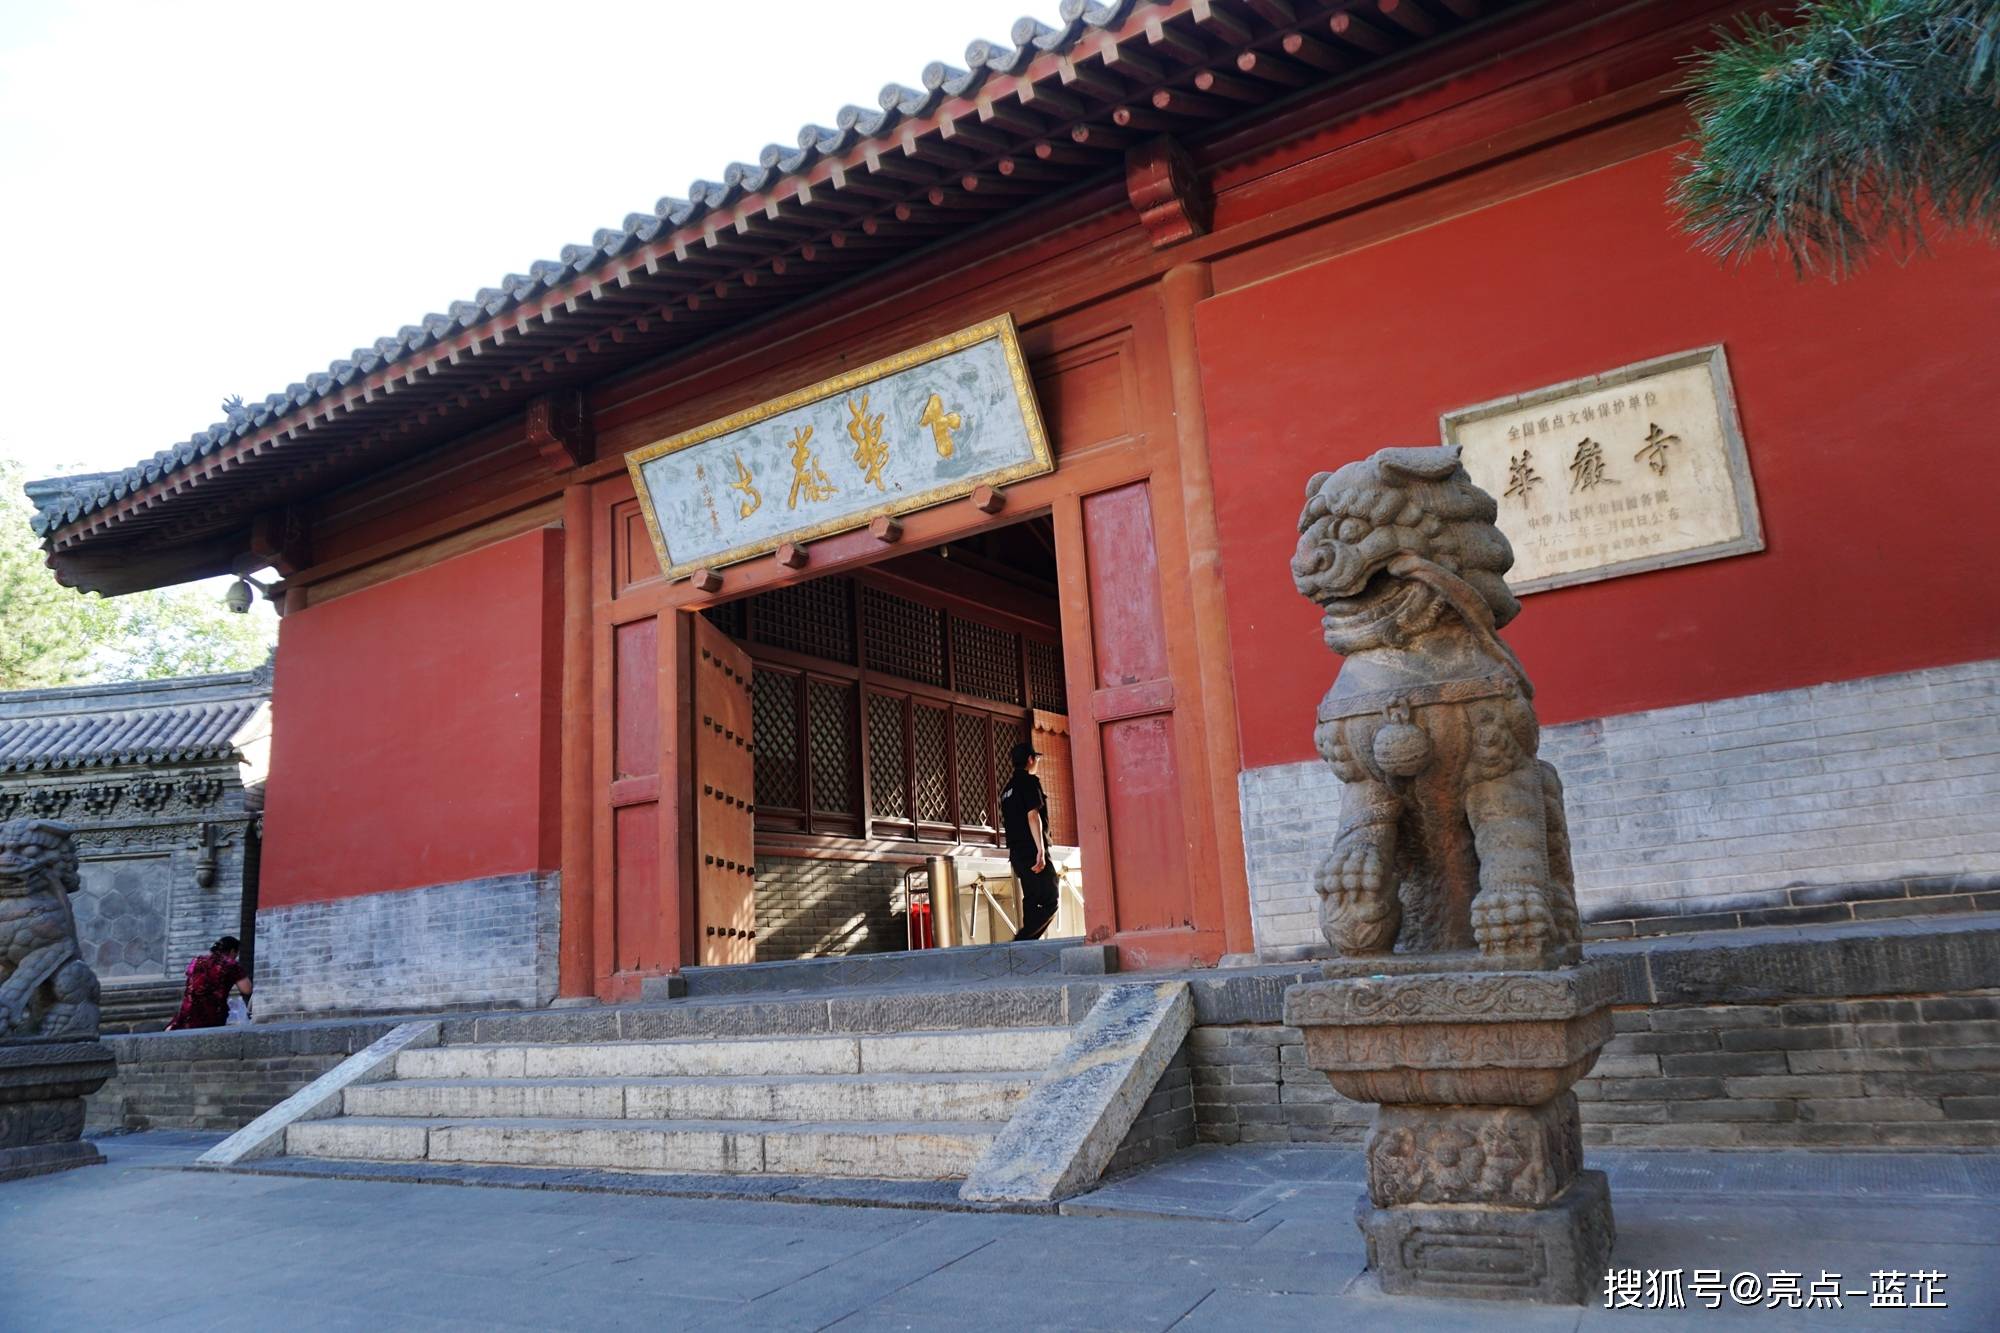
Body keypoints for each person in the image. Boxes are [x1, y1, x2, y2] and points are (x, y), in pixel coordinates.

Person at [999, 741, 1060, 942]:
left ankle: (1027, 947)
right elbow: (1032, 815)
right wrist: (1040, 850)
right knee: (1051, 898)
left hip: (1016, 853)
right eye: (1037, 758)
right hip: (1032, 850)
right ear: (1030, 760)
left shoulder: (1007, 790)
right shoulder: (1029, 782)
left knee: (1032, 899)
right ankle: (1022, 941)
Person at [165, 935, 251, 1031]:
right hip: (212, 1013)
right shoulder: (230, 964)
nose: (235, 957)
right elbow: (246, 989)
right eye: (236, 954)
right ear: (232, 951)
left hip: (188, 1011)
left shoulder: (197, 961)